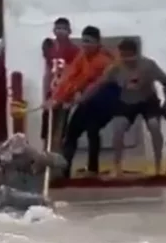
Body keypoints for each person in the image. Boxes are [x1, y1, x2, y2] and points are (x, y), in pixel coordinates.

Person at [85, 38, 166, 177]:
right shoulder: (115, 67)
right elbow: (98, 84)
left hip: (147, 99)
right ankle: (117, 166)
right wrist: (83, 98)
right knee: (118, 128)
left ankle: (158, 166)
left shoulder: (148, 65)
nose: (127, 61)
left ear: (136, 54)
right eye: (123, 57)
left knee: (154, 126)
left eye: (130, 57)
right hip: (126, 101)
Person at [44, 25, 114, 178]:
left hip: (105, 101)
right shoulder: (82, 56)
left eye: (89, 42)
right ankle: (65, 170)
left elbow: (96, 84)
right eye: (84, 41)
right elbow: (70, 77)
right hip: (86, 101)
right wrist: (55, 98)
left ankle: (93, 169)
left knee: (92, 130)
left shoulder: (104, 60)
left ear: (97, 42)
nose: (86, 45)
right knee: (72, 134)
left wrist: (75, 97)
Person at [42, 18, 81, 151]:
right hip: (51, 92)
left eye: (63, 29)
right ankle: (45, 155)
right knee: (47, 128)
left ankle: (56, 157)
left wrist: (72, 93)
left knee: (61, 128)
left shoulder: (74, 50)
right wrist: (45, 94)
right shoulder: (50, 48)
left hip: (65, 93)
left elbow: (74, 74)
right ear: (53, 30)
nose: (60, 32)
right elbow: (47, 71)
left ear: (69, 31)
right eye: (58, 28)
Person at [0, 132, 68, 192]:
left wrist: (49, 159)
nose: (17, 156)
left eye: (20, 154)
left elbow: (63, 162)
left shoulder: (35, 155)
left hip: (30, 183)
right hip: (12, 188)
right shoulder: (4, 155)